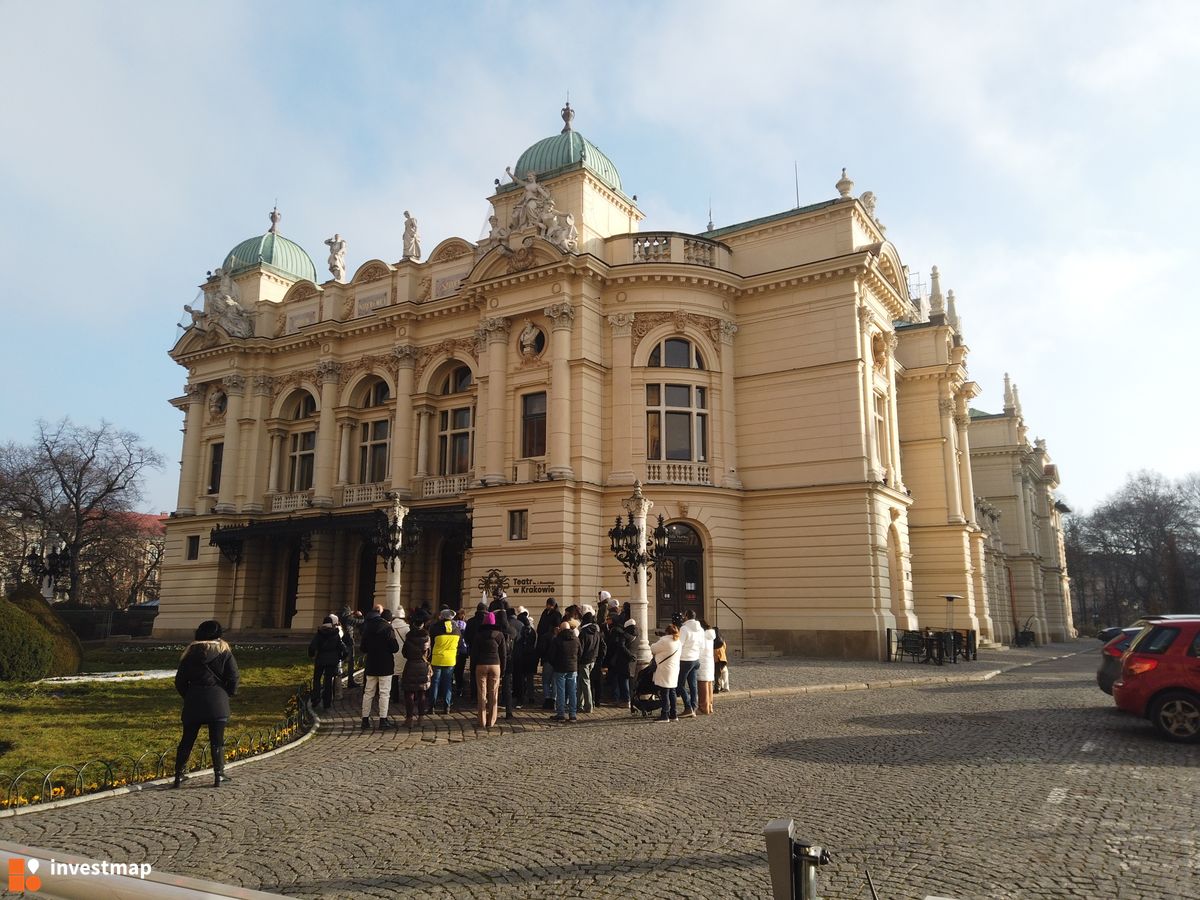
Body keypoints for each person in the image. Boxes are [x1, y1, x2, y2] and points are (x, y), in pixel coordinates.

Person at [173, 620, 239, 788]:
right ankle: (219, 775)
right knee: (217, 740)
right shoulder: (224, 652)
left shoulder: (189, 653)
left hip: (194, 699)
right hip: (217, 700)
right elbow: (233, 678)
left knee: (187, 739)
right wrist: (227, 694)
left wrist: (188, 695)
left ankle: (179, 775)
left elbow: (180, 681)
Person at [360, 604, 399, 729]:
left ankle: (365, 720)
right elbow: (395, 648)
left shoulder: (368, 627)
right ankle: (383, 720)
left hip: (371, 663)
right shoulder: (388, 628)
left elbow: (363, 647)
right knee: (384, 693)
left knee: (368, 692)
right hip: (385, 664)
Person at [471, 611, 505, 729]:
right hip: (495, 665)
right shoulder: (499, 635)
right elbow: (503, 654)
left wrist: (472, 667)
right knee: (494, 693)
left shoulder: (478, 635)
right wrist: (503, 668)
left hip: (481, 664)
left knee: (481, 693)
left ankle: (482, 721)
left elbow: (474, 653)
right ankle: (492, 721)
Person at [400, 612, 432, 729]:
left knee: (409, 693)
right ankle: (421, 718)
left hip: (410, 666)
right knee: (422, 693)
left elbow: (404, 653)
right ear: (423, 624)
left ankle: (409, 719)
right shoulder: (427, 637)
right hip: (423, 666)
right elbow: (429, 653)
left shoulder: (409, 636)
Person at [308, 615, 345, 710]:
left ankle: (315, 697)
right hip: (332, 661)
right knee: (328, 681)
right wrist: (340, 657)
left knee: (317, 678)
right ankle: (327, 703)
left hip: (320, 659)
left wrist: (311, 655)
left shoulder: (319, 634)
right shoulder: (336, 634)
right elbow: (343, 649)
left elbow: (312, 647)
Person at [429, 609, 461, 714]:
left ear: (442, 616)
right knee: (448, 683)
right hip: (450, 659)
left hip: (437, 659)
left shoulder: (435, 628)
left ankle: (431, 707)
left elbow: (431, 642)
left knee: (435, 683)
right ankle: (447, 706)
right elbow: (460, 644)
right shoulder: (457, 629)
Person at [547, 619, 580, 722]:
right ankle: (573, 714)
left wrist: (555, 664)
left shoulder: (557, 640)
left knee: (560, 691)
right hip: (573, 668)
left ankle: (561, 713)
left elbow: (551, 655)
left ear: (560, 629)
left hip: (560, 668)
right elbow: (580, 653)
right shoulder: (576, 639)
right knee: (572, 691)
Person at [651, 623, 682, 723]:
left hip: (665, 669)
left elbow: (653, 648)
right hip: (674, 669)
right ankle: (674, 714)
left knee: (665, 692)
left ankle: (665, 714)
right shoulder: (678, 641)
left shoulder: (664, 640)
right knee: (672, 691)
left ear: (667, 632)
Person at [677, 609, 705, 718]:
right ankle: (694, 707)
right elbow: (702, 645)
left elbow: (680, 644)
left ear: (686, 616)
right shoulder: (701, 629)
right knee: (693, 685)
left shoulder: (684, 629)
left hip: (685, 659)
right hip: (695, 659)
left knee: (679, 685)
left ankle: (688, 707)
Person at [536, 598, 563, 709]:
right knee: (551, 680)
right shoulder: (545, 613)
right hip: (549, 657)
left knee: (550, 680)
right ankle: (550, 699)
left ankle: (551, 699)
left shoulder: (556, 614)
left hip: (550, 658)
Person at [605, 616, 636, 705]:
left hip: (623, 660)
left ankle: (625, 700)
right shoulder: (637, 635)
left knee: (623, 680)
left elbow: (621, 646)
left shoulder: (624, 635)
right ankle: (628, 698)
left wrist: (629, 655)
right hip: (632, 660)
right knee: (628, 680)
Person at [577, 605, 601, 714]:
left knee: (585, 682)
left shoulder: (584, 632)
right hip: (593, 659)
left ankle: (588, 706)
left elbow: (580, 648)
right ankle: (579, 704)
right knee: (582, 682)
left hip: (584, 660)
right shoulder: (596, 631)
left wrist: (578, 659)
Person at [462, 601, 489, 701]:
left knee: (474, 673)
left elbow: (466, 637)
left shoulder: (471, 621)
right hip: (486, 652)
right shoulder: (488, 622)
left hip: (474, 651)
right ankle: (484, 696)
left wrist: (471, 644)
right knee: (486, 674)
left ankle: (474, 695)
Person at [512, 606, 538, 706]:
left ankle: (521, 698)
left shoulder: (521, 632)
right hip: (531, 658)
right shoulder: (533, 632)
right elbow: (535, 645)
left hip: (522, 658)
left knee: (521, 679)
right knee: (530, 678)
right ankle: (531, 697)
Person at [388, 607, 410, 707]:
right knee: (405, 675)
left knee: (394, 676)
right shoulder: (406, 627)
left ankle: (394, 696)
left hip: (392, 653)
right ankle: (407, 696)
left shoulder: (390, 626)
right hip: (404, 654)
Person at [697, 619, 717, 715]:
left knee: (703, 685)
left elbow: (700, 649)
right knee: (709, 684)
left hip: (703, 661)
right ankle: (709, 705)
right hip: (709, 661)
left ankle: (703, 707)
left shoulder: (702, 635)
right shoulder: (710, 635)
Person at [338, 605, 359, 687]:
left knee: (341, 662)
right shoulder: (349, 618)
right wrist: (361, 616)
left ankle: (338, 681)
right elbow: (359, 621)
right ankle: (350, 681)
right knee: (351, 662)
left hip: (341, 641)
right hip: (349, 641)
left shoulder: (340, 617)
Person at [714, 626, 730, 693]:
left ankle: (718, 687)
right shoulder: (722, 639)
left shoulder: (714, 640)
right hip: (723, 658)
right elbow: (725, 647)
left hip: (717, 659)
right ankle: (725, 687)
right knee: (724, 672)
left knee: (717, 674)